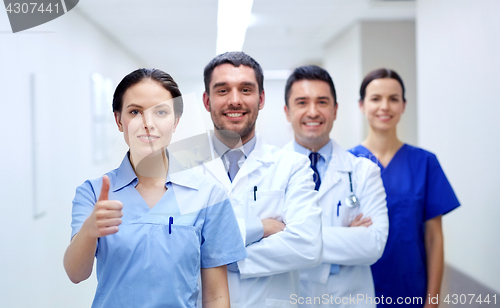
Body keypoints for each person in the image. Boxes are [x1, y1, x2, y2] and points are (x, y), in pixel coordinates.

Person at [63, 68, 247, 308]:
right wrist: (89, 230)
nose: (148, 123)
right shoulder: (93, 193)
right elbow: (76, 274)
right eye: (135, 112)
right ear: (119, 120)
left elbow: (216, 296)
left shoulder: (208, 195)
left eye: (161, 112)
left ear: (175, 121)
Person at [186, 52, 323, 308]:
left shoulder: (292, 165)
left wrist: (216, 257)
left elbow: (308, 246)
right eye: (223, 90)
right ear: (207, 100)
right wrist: (260, 228)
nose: (235, 100)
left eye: (246, 89)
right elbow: (175, 244)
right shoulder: (179, 164)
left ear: (261, 99)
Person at [349, 68, 460, 308]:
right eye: (376, 98)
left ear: (403, 106)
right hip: (356, 291)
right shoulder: (346, 164)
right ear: (361, 105)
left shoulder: (425, 163)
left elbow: (434, 238)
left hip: (411, 290)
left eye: (393, 99)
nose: (385, 107)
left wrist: (432, 302)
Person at [282, 65, 389, 307]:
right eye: (302, 102)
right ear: (287, 112)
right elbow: (259, 245)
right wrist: (348, 236)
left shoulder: (364, 171)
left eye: (322, 102)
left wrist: (289, 234)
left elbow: (374, 244)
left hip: (350, 299)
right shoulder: (267, 172)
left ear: (335, 110)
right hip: (290, 298)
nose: (313, 112)